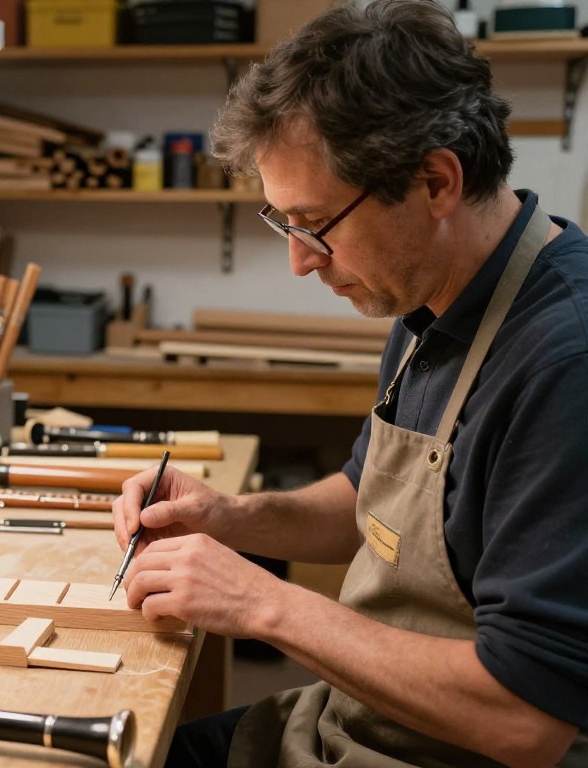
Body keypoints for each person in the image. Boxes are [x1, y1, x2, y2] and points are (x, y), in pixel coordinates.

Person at [111, 2, 588, 766]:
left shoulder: (563, 362)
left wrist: (261, 602)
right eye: (284, 223)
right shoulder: (430, 292)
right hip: (350, 723)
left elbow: (526, 721)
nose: (300, 260)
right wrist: (230, 517)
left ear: (435, 181)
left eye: (315, 224)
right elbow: (366, 507)